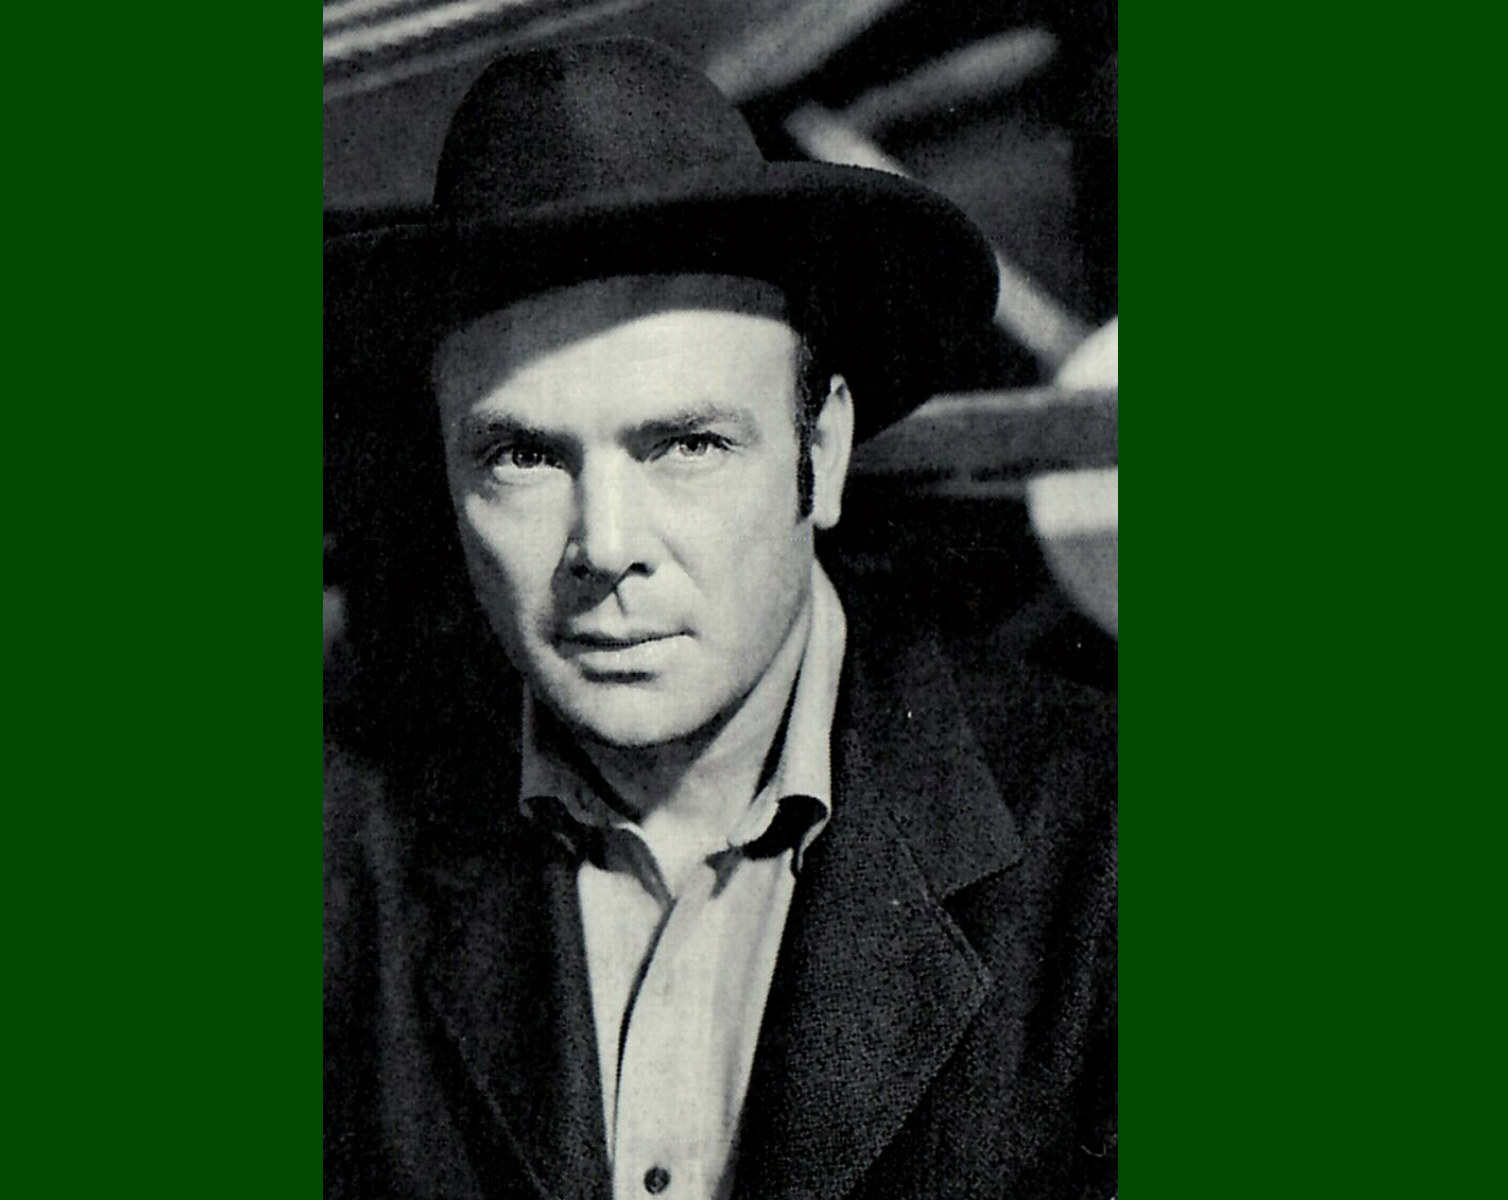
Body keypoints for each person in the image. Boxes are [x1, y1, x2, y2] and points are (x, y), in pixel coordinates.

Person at [324, 36, 1116, 1200]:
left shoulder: (1106, 846)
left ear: (821, 452)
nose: (605, 547)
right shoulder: (338, 854)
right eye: (522, 457)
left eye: (686, 445)